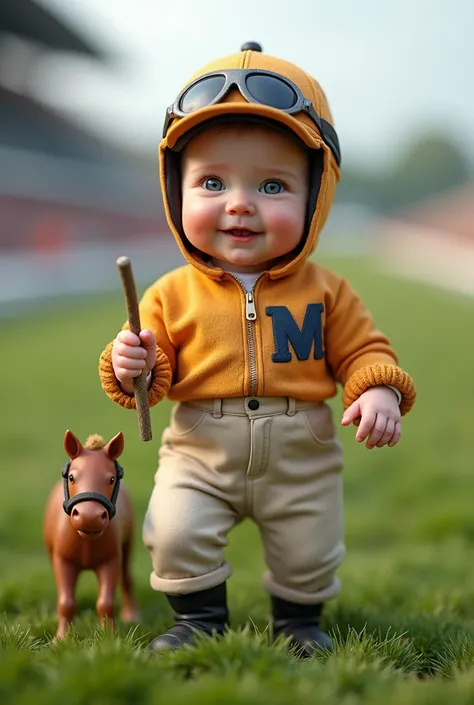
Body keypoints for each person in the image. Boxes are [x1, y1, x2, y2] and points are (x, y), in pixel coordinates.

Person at [99, 42, 416, 657]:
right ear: (175, 189)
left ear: (316, 195)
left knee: (311, 544)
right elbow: (149, 375)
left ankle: (299, 622)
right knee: (175, 528)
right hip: (200, 446)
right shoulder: (168, 294)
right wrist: (129, 363)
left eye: (272, 184)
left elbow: (363, 349)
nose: (239, 203)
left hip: (302, 449)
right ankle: (198, 618)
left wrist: (377, 385)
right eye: (212, 182)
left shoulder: (326, 290)